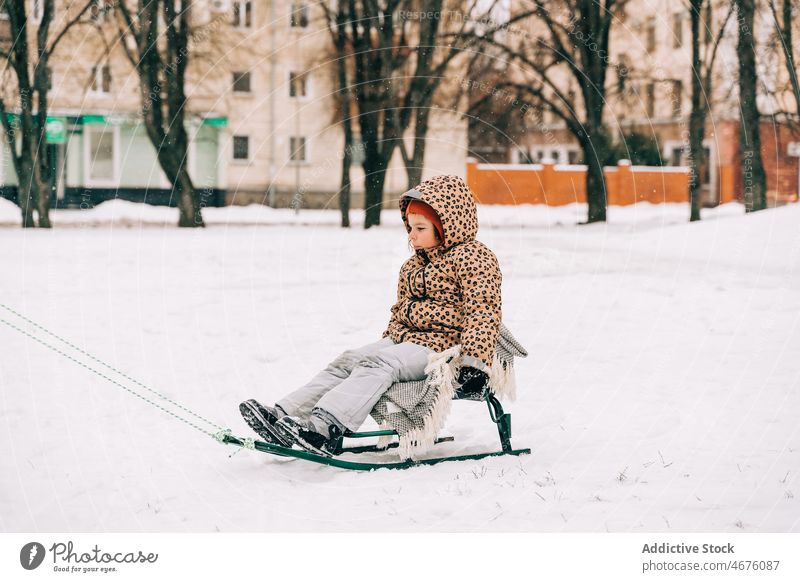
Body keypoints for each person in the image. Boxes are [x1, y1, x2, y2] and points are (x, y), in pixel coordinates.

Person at [239, 175, 502, 456]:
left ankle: (325, 427)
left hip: (444, 347)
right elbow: (399, 310)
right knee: (348, 360)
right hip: (406, 339)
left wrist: (475, 364)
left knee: (380, 363)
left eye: (420, 228)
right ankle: (282, 416)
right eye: (409, 227)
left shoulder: (474, 257)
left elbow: (484, 310)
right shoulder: (413, 264)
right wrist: (389, 341)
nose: (411, 235)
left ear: (446, 226)